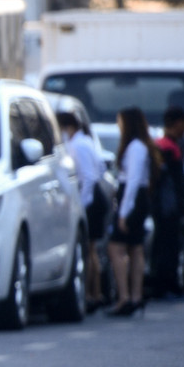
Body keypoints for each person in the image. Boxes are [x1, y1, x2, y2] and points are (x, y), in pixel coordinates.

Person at [106, 107, 162, 316]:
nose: (119, 126)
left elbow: (133, 181)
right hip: (136, 198)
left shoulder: (136, 147)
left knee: (116, 247)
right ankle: (135, 296)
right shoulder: (139, 146)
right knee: (135, 247)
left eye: (120, 122)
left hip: (133, 199)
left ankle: (125, 296)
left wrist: (123, 212)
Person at [57, 111, 108, 312]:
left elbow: (89, 177)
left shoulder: (78, 145)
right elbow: (101, 169)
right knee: (91, 249)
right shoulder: (86, 141)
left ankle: (92, 294)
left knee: (90, 249)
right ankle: (95, 293)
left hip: (91, 199)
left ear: (67, 127)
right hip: (95, 197)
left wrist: (83, 204)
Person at [150, 105, 184, 299]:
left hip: (166, 207)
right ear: (177, 123)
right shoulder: (167, 148)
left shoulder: (165, 145)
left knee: (168, 246)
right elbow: (170, 184)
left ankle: (168, 285)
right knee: (168, 247)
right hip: (169, 207)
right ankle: (165, 286)